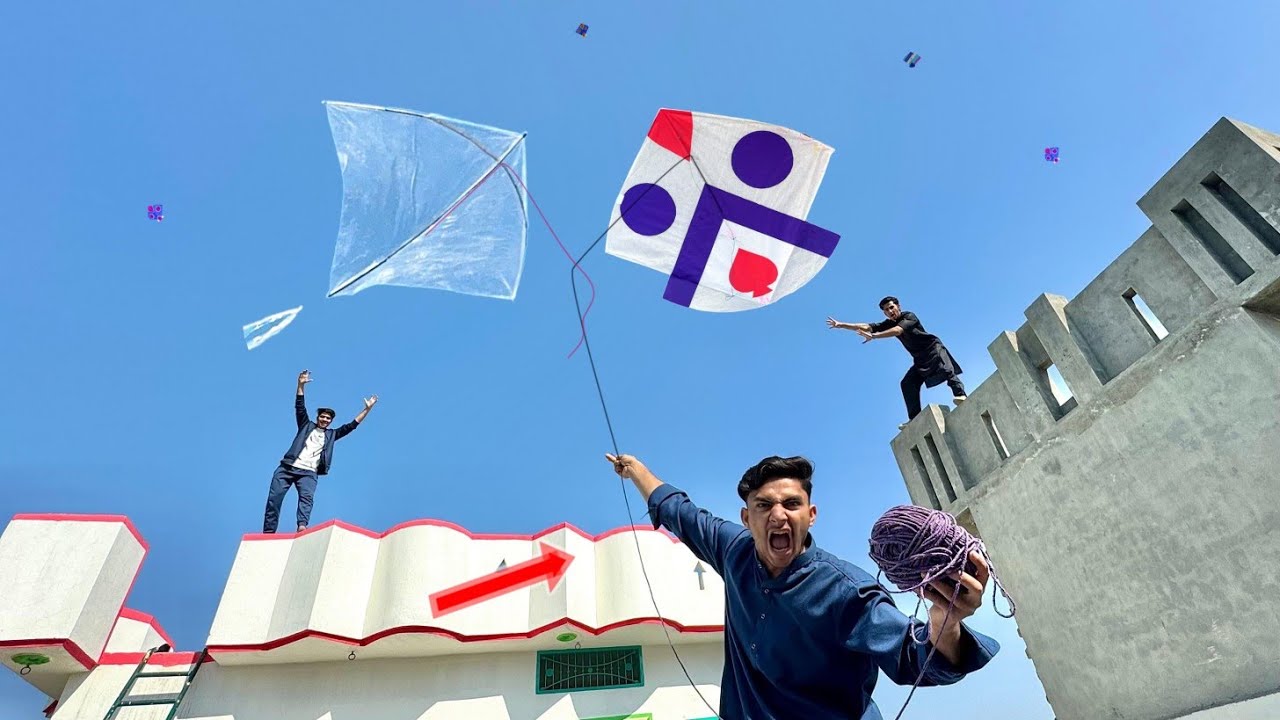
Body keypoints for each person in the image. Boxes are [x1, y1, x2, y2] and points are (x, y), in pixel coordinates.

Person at [604, 453, 998, 720]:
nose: (778, 515)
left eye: (791, 504)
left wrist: (946, 622)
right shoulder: (734, 550)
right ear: (746, 517)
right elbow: (680, 512)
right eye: (764, 505)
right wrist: (636, 470)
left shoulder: (846, 591)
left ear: (811, 515)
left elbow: (914, 656)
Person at [262, 370, 377, 533]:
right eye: (322, 417)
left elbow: (352, 426)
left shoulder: (332, 435)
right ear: (318, 418)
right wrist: (300, 385)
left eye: (328, 418)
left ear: (331, 421)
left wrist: (367, 409)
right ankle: (268, 532)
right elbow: (299, 406)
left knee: (306, 499)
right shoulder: (306, 426)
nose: (324, 419)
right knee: (274, 499)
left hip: (308, 472)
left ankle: (302, 526)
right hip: (287, 468)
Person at [828, 297, 967, 427]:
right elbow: (866, 326)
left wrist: (875, 336)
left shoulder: (909, 316)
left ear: (898, 306)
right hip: (919, 359)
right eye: (886, 310)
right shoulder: (888, 323)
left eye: (891, 307)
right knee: (907, 383)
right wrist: (841, 325)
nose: (890, 312)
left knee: (946, 370)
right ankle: (915, 419)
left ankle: (960, 394)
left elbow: (897, 331)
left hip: (932, 348)